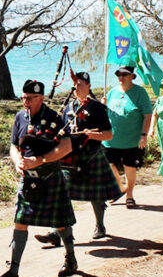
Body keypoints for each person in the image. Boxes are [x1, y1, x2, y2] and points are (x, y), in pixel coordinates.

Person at [0, 80, 76, 277]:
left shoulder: (54, 118)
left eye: (30, 98)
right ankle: (13, 271)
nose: (25, 102)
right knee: (20, 221)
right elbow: (13, 146)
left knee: (60, 222)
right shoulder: (20, 117)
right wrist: (17, 162)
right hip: (28, 177)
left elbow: (66, 147)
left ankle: (70, 258)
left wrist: (42, 159)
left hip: (49, 175)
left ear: (41, 98)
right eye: (23, 97)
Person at [36, 71, 121, 245]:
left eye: (81, 84)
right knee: (62, 195)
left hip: (92, 156)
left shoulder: (97, 108)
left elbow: (109, 135)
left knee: (96, 196)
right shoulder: (70, 106)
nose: (77, 87)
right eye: (75, 84)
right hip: (71, 158)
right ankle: (57, 233)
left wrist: (91, 135)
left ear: (89, 86)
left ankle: (100, 226)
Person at [103, 65, 153, 208]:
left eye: (125, 75)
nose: (121, 77)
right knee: (110, 165)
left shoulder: (140, 92)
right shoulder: (112, 92)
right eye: (119, 75)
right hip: (111, 139)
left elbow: (147, 115)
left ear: (132, 76)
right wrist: (103, 106)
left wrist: (144, 135)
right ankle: (120, 189)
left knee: (129, 167)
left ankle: (130, 194)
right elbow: (106, 114)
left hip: (132, 140)